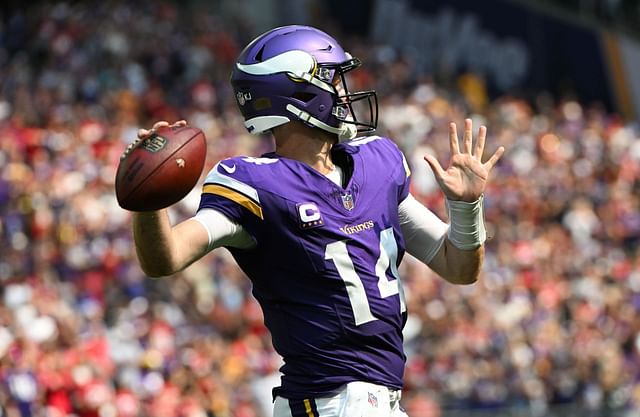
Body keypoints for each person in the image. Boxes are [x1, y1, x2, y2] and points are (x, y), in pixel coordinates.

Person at [128, 25, 504, 417]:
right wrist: (148, 198)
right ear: (298, 94)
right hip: (329, 403)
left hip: (380, 401)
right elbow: (164, 258)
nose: (345, 93)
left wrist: (466, 208)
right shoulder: (255, 185)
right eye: (334, 81)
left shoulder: (378, 163)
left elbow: (459, 267)